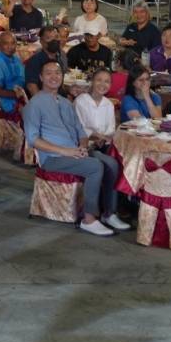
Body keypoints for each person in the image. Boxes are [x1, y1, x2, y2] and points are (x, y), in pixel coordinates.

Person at [22, 60, 130, 236]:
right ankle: (89, 219)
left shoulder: (65, 103)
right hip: (53, 157)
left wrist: (82, 147)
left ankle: (109, 213)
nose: (54, 76)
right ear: (41, 77)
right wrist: (67, 152)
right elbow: (33, 139)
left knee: (112, 163)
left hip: (75, 152)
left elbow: (81, 132)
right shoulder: (35, 104)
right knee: (95, 166)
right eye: (48, 73)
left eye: (57, 72)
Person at [75, 68, 117, 145]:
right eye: (99, 80)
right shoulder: (81, 101)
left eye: (107, 81)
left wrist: (104, 139)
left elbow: (111, 130)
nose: (102, 84)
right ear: (92, 82)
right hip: (83, 145)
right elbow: (79, 128)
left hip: (103, 144)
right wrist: (97, 136)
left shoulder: (109, 104)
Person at [24, 25, 66, 95]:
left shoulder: (59, 57)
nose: (54, 41)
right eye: (49, 38)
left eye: (56, 37)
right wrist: (45, 104)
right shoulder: (35, 61)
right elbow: (32, 87)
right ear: (41, 41)